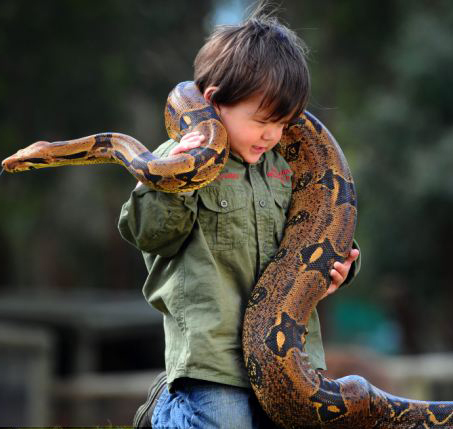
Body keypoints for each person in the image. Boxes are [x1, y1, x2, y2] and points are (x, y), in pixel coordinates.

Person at [118, 11, 360, 429]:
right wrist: (172, 180)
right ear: (212, 102)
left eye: (284, 124)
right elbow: (149, 236)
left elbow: (321, 228)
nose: (273, 136)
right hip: (212, 359)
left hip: (289, 355)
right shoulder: (176, 159)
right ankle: (168, 410)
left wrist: (343, 266)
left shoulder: (284, 168)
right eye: (263, 122)